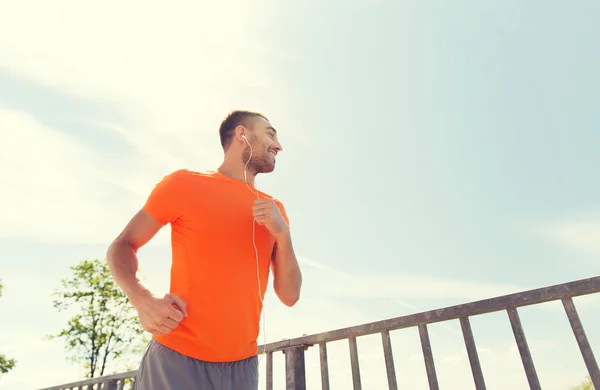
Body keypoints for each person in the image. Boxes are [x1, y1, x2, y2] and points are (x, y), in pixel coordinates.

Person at [106, 110, 302, 390]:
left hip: (242, 369)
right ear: (242, 134)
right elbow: (122, 246)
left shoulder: (275, 211)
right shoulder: (184, 183)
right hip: (176, 361)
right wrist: (142, 299)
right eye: (270, 133)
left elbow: (290, 296)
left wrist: (283, 234)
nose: (278, 145)